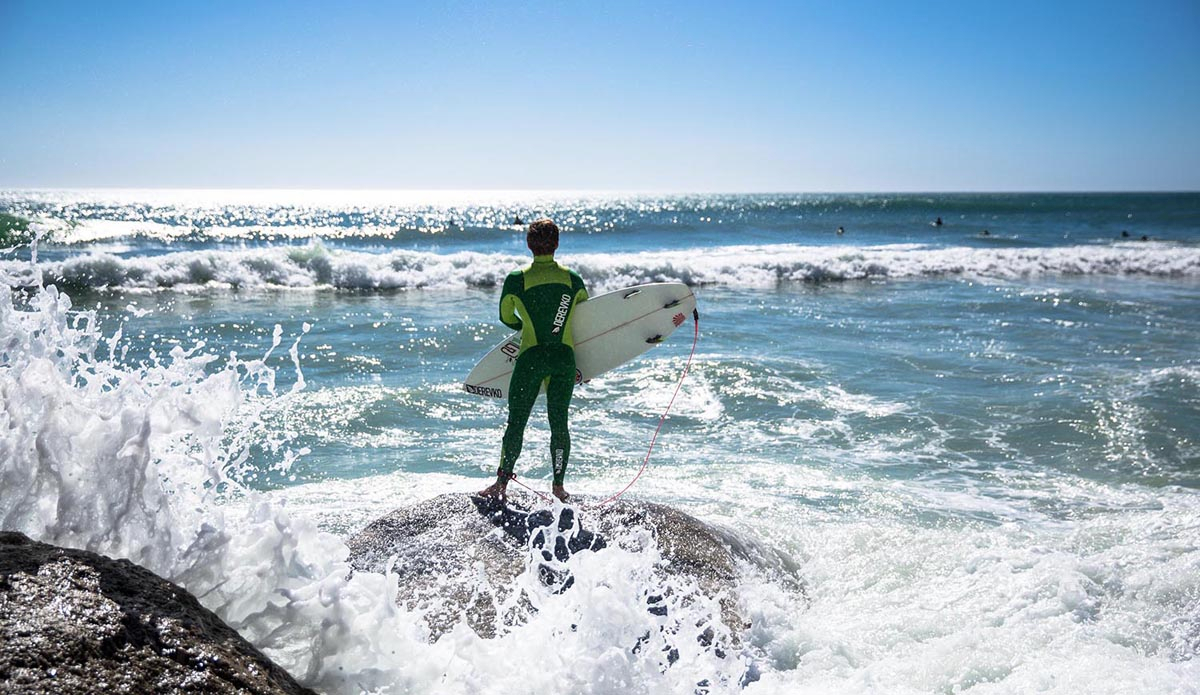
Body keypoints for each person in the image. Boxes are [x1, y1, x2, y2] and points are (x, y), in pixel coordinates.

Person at [478, 218, 588, 502]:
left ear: (528, 245)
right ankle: (559, 487)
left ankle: (501, 484)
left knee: (516, 422)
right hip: (564, 359)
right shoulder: (573, 279)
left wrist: (526, 328)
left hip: (532, 358)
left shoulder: (516, 280)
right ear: (557, 243)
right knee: (559, 423)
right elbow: (587, 315)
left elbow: (505, 316)